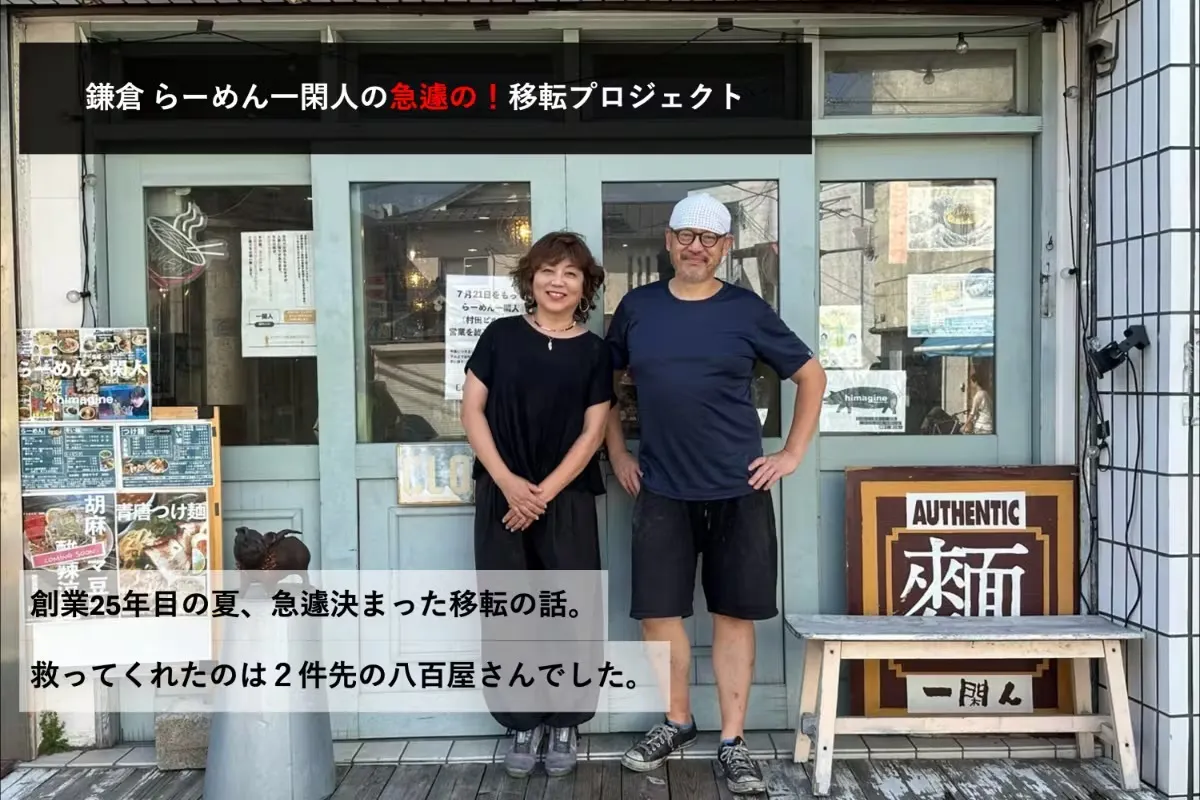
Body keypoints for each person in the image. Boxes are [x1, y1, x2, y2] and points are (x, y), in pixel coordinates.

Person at [605, 194, 826, 795]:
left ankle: (733, 740)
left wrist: (790, 454)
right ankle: (677, 720)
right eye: (685, 235)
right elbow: (604, 385)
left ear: (725, 247)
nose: (695, 247)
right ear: (669, 241)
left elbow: (811, 376)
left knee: (733, 613)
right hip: (661, 488)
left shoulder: (746, 309)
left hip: (738, 487)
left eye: (708, 238)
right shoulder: (638, 307)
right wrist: (618, 452)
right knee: (658, 614)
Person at [460, 231, 612, 779]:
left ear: (585, 287)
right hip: (502, 497)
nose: (557, 282)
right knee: (510, 613)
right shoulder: (500, 336)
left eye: (571, 273)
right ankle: (522, 722)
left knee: (572, 614)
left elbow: (594, 432)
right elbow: (471, 411)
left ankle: (565, 722)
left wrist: (540, 494)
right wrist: (508, 483)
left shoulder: (596, 351)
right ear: (531, 278)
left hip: (565, 500)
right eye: (548, 270)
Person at [963, 365, 994, 434]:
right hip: (989, 426)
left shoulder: (977, 396)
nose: (971, 384)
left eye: (971, 382)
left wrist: (964, 426)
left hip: (981, 427)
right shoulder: (986, 394)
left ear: (975, 382)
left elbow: (972, 413)